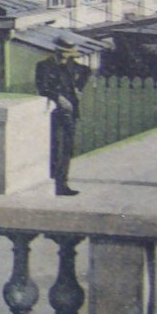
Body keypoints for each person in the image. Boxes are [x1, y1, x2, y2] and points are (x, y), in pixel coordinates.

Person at [35, 35, 91, 197]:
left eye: (70, 53)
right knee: (56, 148)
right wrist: (58, 98)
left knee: (67, 149)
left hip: (70, 112)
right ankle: (55, 183)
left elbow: (86, 71)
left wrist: (79, 88)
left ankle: (63, 184)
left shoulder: (73, 66)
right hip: (55, 113)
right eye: (65, 53)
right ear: (57, 51)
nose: (67, 56)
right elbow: (42, 87)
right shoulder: (44, 66)